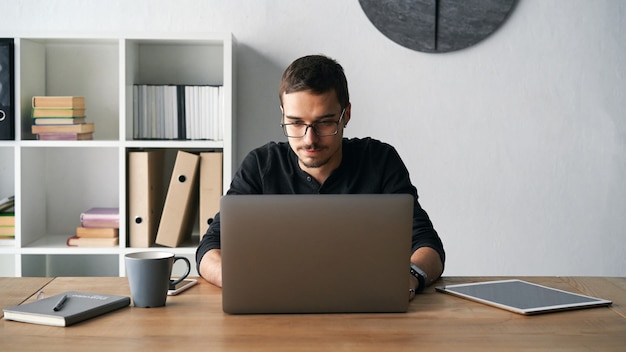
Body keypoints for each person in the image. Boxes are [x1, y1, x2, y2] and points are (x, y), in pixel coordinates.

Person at [196, 54, 445, 300]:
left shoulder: (380, 160)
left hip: (366, 315)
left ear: (345, 115)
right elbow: (209, 249)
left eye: (324, 123)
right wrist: (245, 282)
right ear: (282, 115)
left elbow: (428, 246)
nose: (309, 139)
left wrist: (408, 278)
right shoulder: (260, 165)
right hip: (275, 311)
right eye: (295, 123)